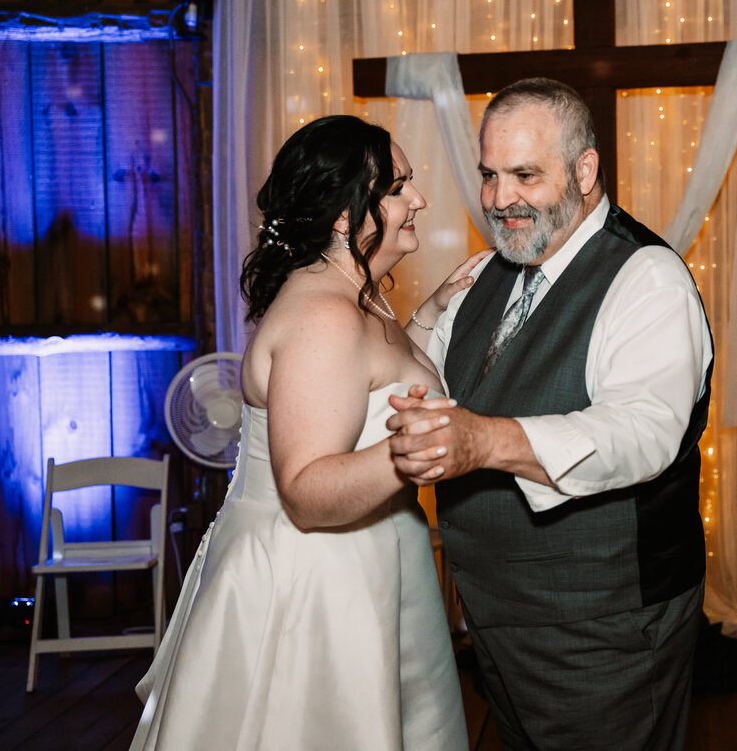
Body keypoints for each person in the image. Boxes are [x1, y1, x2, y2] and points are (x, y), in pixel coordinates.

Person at [131, 115, 484, 749]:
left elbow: (375, 387)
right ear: (347, 217)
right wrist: (412, 453)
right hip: (319, 586)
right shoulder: (324, 318)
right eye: (399, 187)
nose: (419, 200)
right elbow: (305, 488)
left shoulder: (356, 293)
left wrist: (429, 316)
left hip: (368, 561)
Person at [386, 78, 713, 750]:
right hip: (497, 617)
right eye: (489, 175)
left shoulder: (646, 277)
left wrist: (485, 442)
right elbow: (410, 379)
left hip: (604, 623)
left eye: (525, 175)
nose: (501, 199)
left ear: (586, 171)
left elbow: (642, 434)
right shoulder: (489, 269)